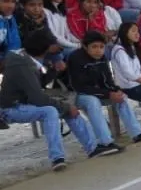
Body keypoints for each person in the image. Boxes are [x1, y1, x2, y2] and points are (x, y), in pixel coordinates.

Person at [0, 30, 112, 171]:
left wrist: (54, 70)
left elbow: (37, 85)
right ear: (46, 47)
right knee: (51, 111)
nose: (58, 48)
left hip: (27, 102)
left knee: (65, 108)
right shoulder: (23, 64)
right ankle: (57, 158)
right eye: (54, 45)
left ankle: (93, 148)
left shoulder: (27, 57)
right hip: (10, 108)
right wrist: (65, 107)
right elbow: (38, 98)